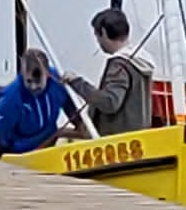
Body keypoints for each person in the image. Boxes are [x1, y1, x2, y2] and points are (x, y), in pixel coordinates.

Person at [60, 7, 154, 136]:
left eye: (97, 36)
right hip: (136, 141)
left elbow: (110, 102)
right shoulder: (142, 60)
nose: (97, 41)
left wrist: (77, 83)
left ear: (103, 32)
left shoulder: (120, 64)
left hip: (117, 145)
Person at [0, 48, 85, 159]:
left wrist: (81, 127)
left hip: (50, 144)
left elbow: (73, 112)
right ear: (23, 74)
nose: (33, 87)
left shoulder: (58, 82)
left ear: (48, 74)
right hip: (22, 154)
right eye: (29, 81)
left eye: (37, 81)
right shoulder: (11, 98)